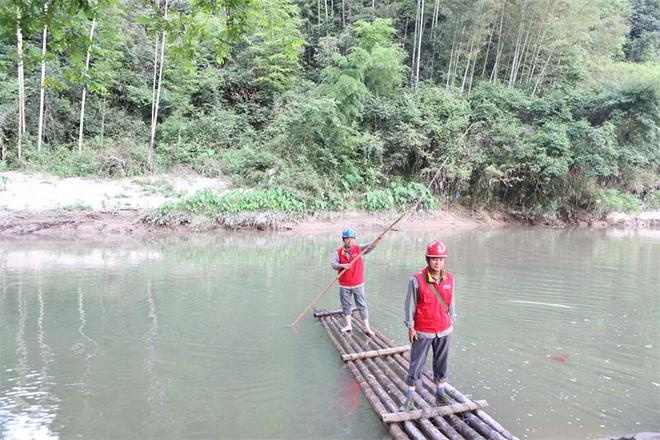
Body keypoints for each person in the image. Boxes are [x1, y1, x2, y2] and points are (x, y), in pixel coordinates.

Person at [399, 240, 456, 411]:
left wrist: (452, 318)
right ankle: (409, 398)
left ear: (444, 260)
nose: (437, 262)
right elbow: (410, 305)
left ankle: (440, 393)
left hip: (444, 329)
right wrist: (410, 326)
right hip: (423, 330)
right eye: (433, 258)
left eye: (440, 259)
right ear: (427, 259)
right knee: (416, 364)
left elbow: (451, 300)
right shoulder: (416, 280)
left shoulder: (449, 278)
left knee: (441, 362)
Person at [331, 228, 375, 335]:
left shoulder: (359, 249)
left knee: (362, 305)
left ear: (354, 239)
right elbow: (333, 265)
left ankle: (367, 327)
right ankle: (348, 325)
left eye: (352, 239)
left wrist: (377, 239)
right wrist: (342, 265)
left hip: (358, 284)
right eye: (347, 239)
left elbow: (371, 246)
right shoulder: (338, 252)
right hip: (344, 285)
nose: (350, 241)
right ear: (343, 240)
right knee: (346, 305)